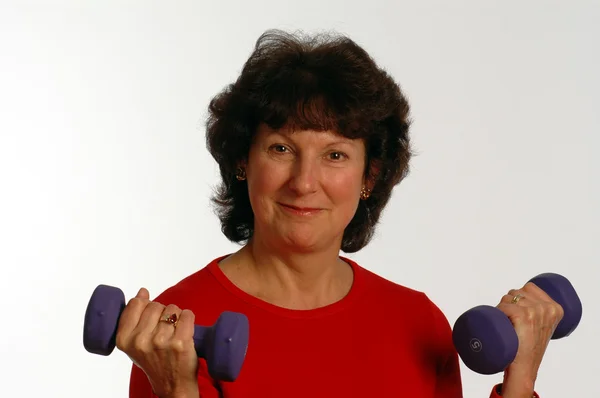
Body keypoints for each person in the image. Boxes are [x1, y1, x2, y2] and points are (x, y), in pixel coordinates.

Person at [116, 29, 564, 398]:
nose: (304, 181)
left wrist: (520, 381)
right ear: (241, 161)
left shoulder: (417, 321)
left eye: (335, 155)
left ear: (369, 176)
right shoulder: (173, 330)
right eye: (281, 148)